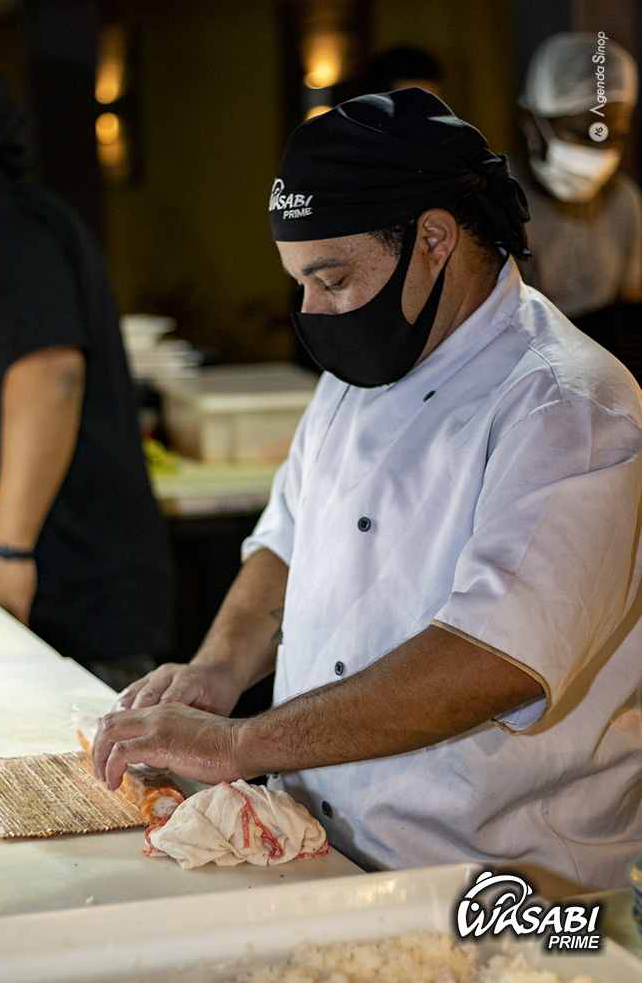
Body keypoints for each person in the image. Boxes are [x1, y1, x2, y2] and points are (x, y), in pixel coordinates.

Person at [93, 88, 642, 897]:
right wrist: (217, 667)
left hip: (500, 887)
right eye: (299, 283)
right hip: (323, 852)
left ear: (433, 239)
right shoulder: (364, 369)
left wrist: (240, 745)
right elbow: (287, 542)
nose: (311, 311)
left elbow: (491, 660)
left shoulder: (569, 406)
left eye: (333, 278)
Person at [0, 64, 173, 689]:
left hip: (65, 592)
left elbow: (49, 374)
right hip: (53, 590)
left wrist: (8, 552)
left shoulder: (7, 227)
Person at [516, 32, 642, 320]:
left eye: (614, 137)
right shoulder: (487, 195)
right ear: (531, 122)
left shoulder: (623, 201)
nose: (599, 152)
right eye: (583, 135)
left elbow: (630, 308)